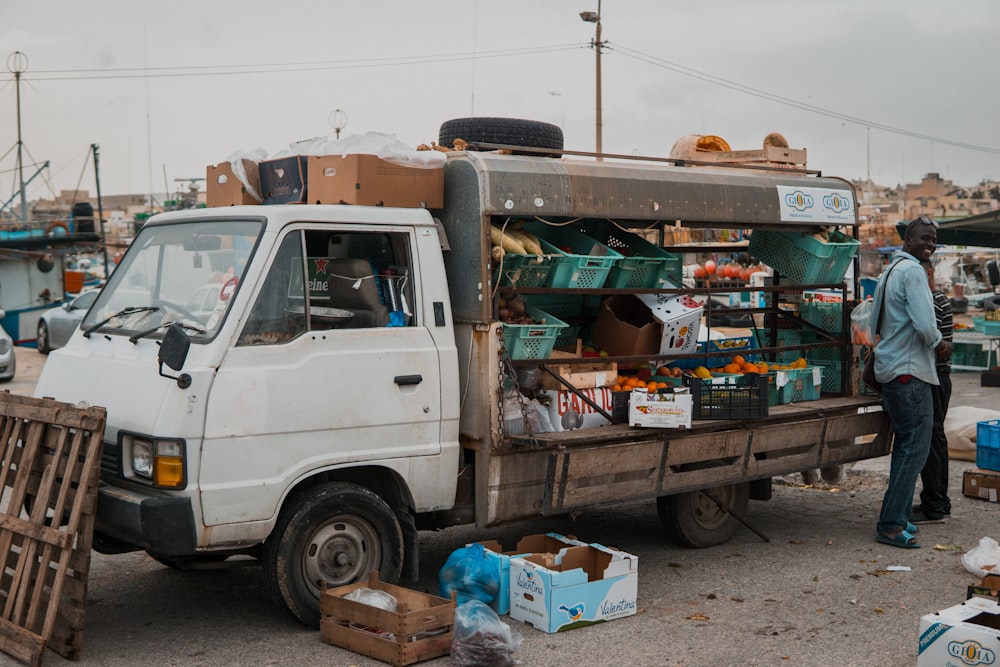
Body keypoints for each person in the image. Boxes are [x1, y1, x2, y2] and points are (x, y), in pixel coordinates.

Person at [870, 216, 952, 548]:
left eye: (933, 239)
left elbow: (875, 319)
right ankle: (890, 524)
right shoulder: (913, 271)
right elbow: (925, 322)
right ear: (907, 239)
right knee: (914, 451)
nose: (929, 244)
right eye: (923, 238)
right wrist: (940, 345)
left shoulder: (890, 271)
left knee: (906, 447)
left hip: (890, 368)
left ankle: (900, 517)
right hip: (910, 372)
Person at [911, 259, 953, 523]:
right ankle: (940, 501)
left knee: (932, 439)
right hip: (941, 375)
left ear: (928, 273)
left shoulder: (933, 301)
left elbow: (930, 338)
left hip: (936, 375)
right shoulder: (940, 298)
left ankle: (934, 505)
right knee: (938, 437)